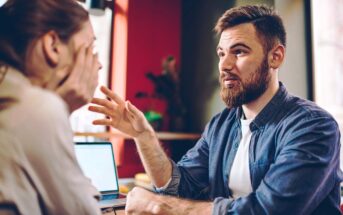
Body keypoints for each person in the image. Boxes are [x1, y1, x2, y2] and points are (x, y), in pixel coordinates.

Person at [89, 5, 342, 215]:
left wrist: (159, 206)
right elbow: (180, 185)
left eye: (239, 52)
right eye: (221, 54)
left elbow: (268, 210)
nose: (225, 65)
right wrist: (144, 137)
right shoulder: (222, 124)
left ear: (275, 57)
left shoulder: (314, 126)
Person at [0, 0, 102, 214]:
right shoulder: (38, 110)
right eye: (91, 47)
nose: (98, 63)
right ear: (52, 45)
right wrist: (61, 109)